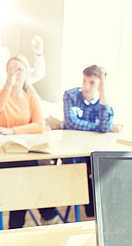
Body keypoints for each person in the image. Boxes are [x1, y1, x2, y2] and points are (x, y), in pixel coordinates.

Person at [0, 55, 62, 228]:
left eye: (19, 69)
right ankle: (49, 215)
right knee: (27, 173)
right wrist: (8, 86)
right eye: (11, 69)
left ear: (27, 73)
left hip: (24, 150)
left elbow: (39, 125)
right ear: (6, 72)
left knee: (26, 174)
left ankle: (16, 226)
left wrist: (12, 130)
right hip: (0, 154)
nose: (16, 73)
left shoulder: (31, 97)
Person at [59, 65, 122, 217]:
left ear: (101, 83)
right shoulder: (71, 95)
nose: (86, 86)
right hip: (72, 150)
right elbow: (72, 123)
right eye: (84, 81)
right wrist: (100, 128)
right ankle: (91, 215)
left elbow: (105, 126)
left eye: (92, 82)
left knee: (104, 167)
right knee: (83, 168)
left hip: (94, 150)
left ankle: (101, 214)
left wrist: (102, 94)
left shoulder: (104, 101)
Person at [0, 36, 46, 105]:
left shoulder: (19, 76)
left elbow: (39, 74)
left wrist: (39, 54)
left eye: (0, 61)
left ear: (8, 61)